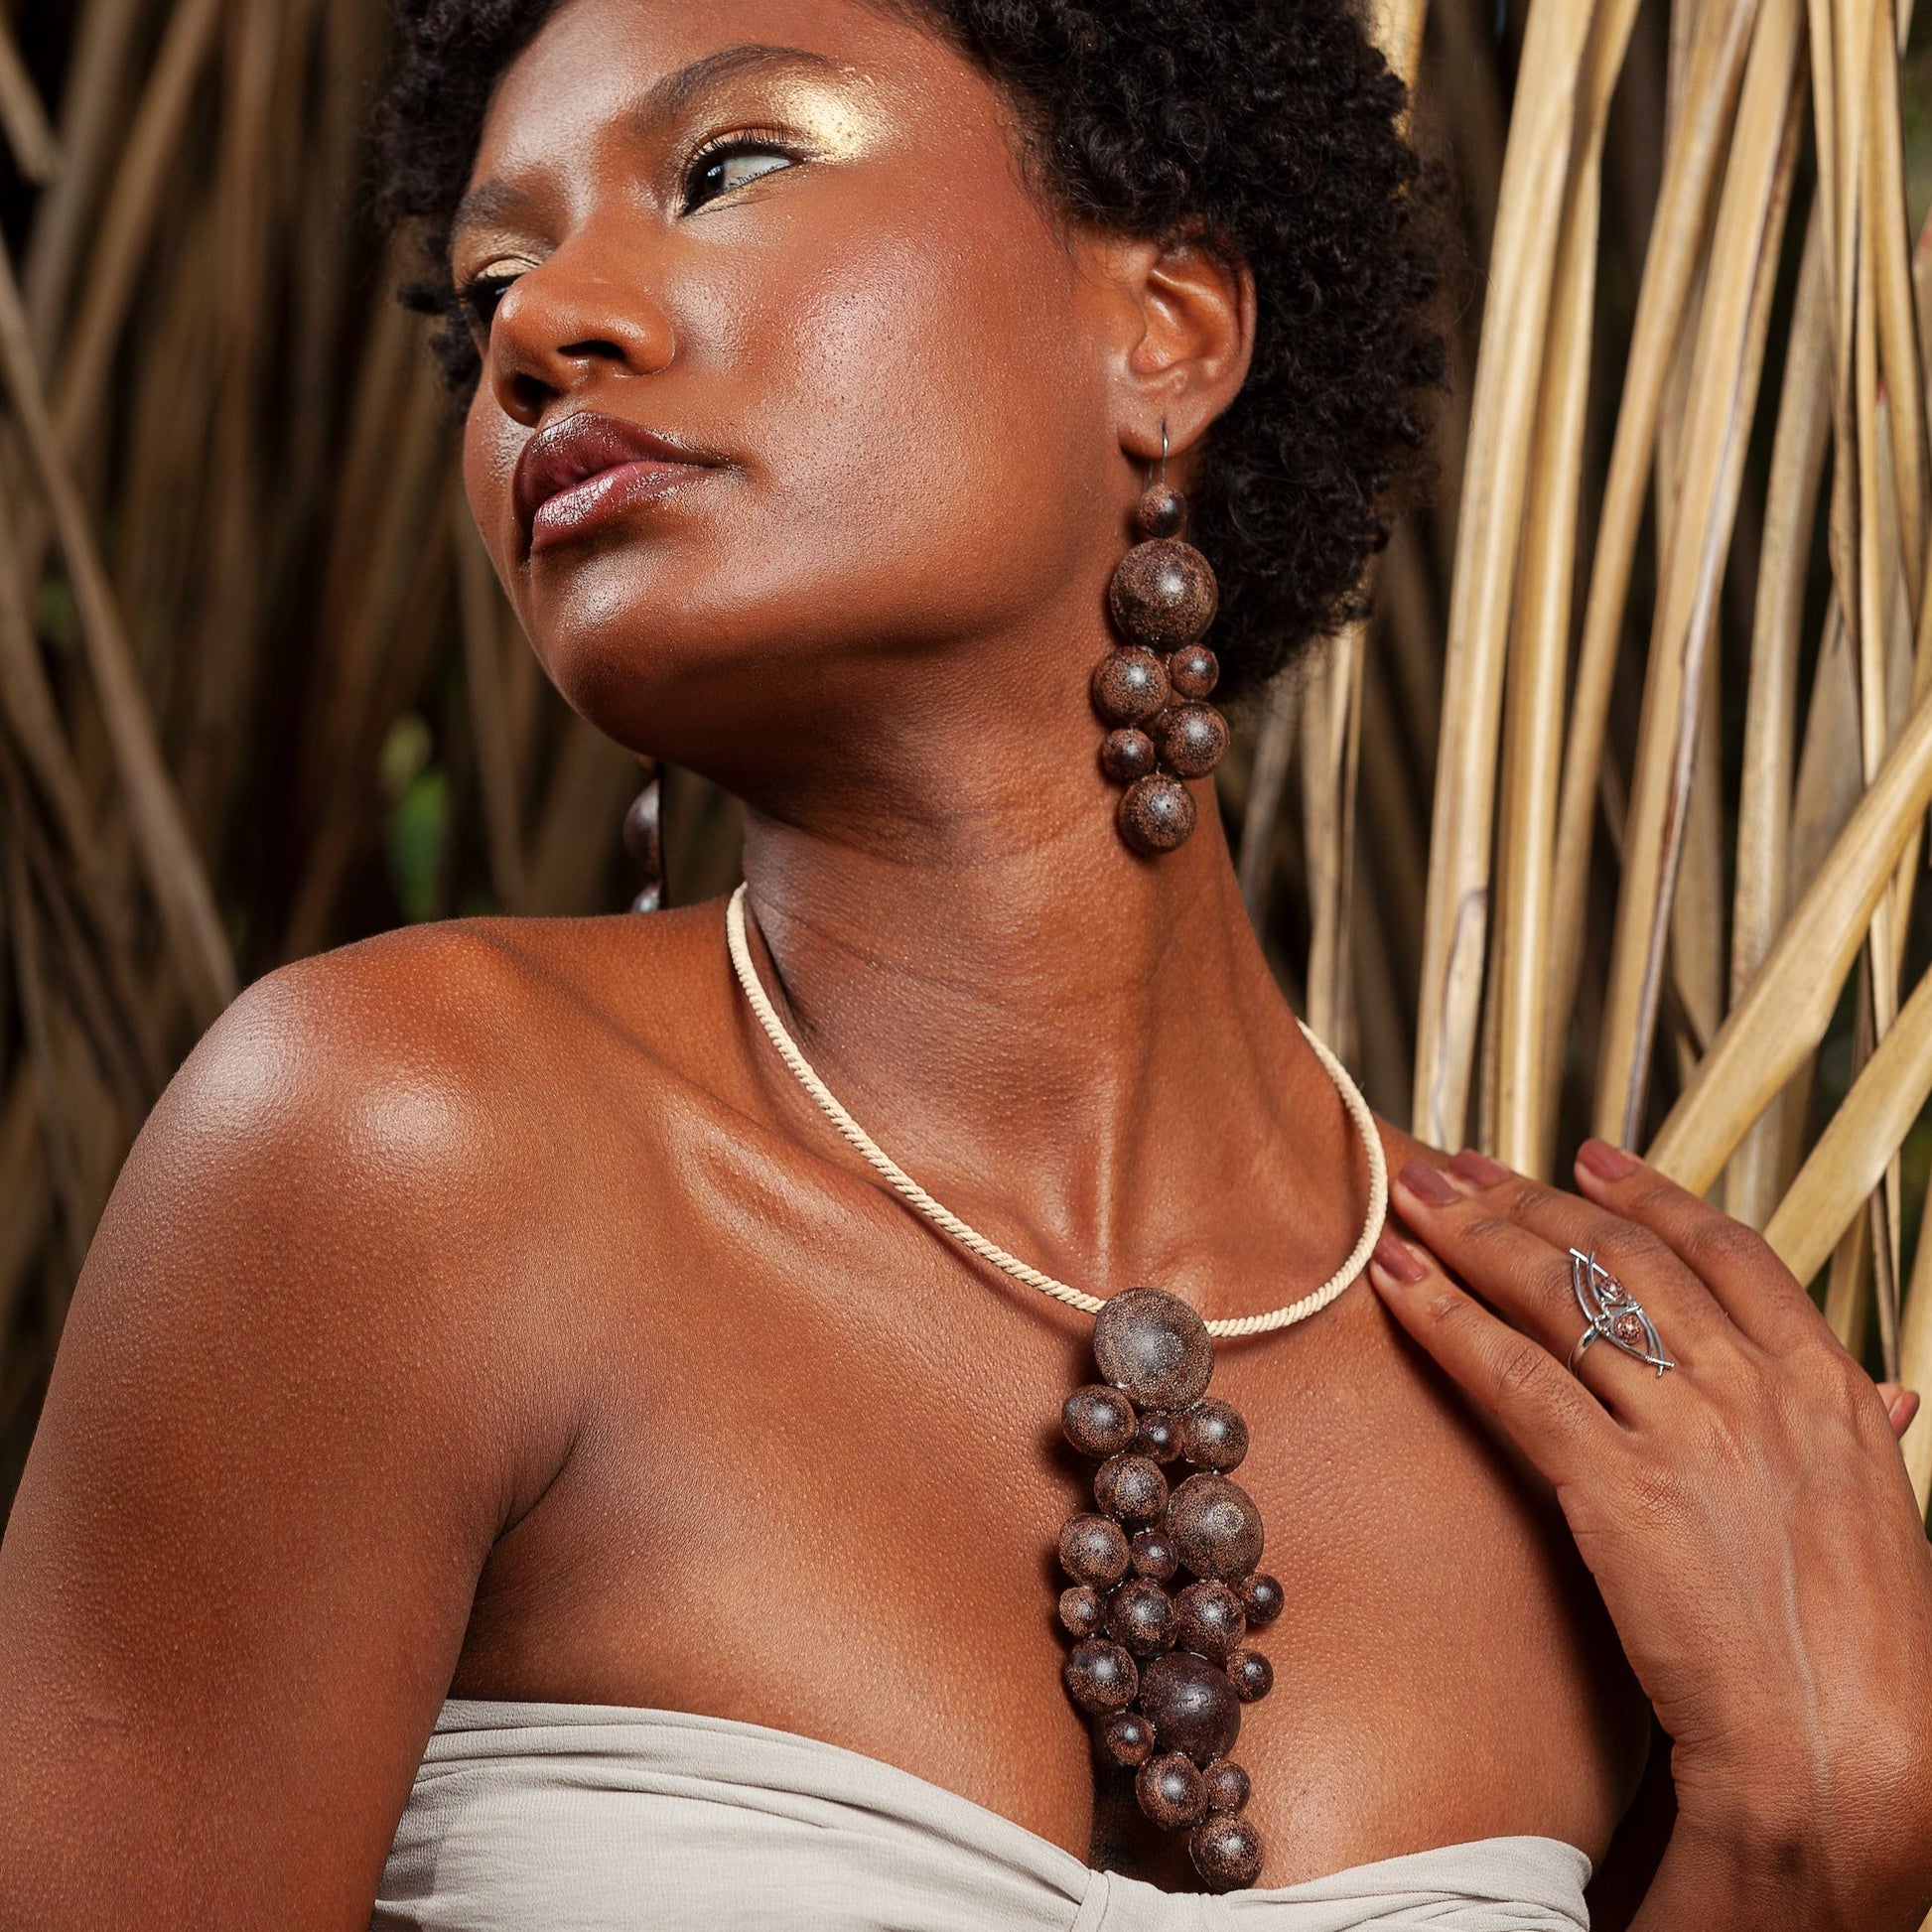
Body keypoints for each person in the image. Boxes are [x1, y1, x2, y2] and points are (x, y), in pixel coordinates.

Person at [3, 1, 1930, 1926]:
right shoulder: (395, 1148)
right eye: (488, 279)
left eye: (729, 167)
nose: (533, 327)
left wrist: (1798, 1844)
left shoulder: (1582, 1434)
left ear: (1165, 329)